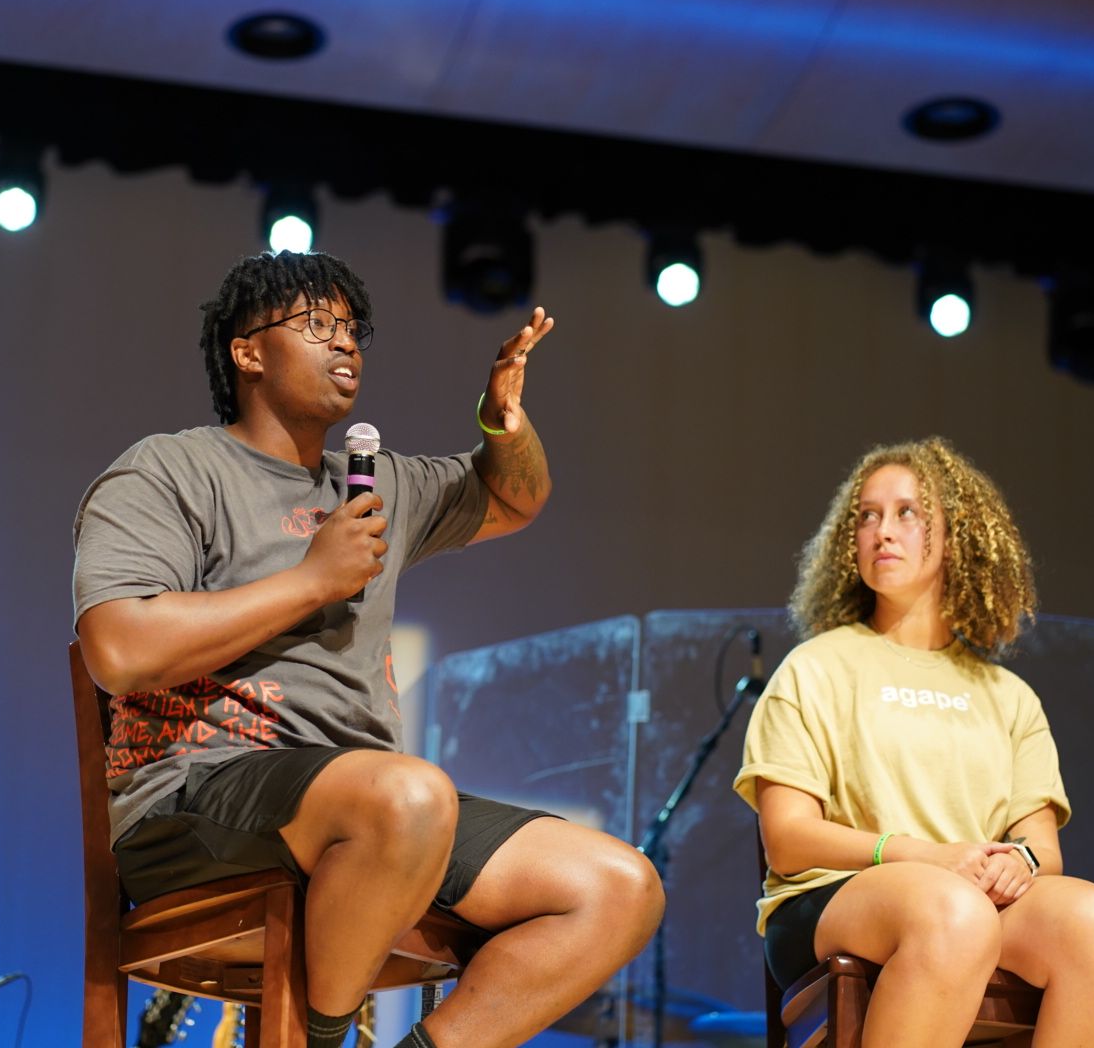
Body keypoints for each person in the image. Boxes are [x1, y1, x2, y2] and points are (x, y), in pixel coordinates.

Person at [72, 250, 662, 1048]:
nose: (345, 344)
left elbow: (513, 498)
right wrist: (312, 581)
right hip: (199, 800)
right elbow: (117, 648)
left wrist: (503, 423)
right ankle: (322, 1036)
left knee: (618, 887)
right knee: (409, 796)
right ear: (248, 352)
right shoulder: (170, 470)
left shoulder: (374, 483)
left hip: (376, 815)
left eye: (353, 329)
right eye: (317, 325)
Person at [733, 436, 1094, 1046]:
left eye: (907, 513)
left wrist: (1014, 866)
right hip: (831, 902)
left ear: (959, 538)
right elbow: (789, 842)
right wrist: (929, 858)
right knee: (954, 911)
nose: (881, 531)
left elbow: (1041, 851)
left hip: (968, 900)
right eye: (867, 516)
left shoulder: (1010, 696)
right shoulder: (813, 667)